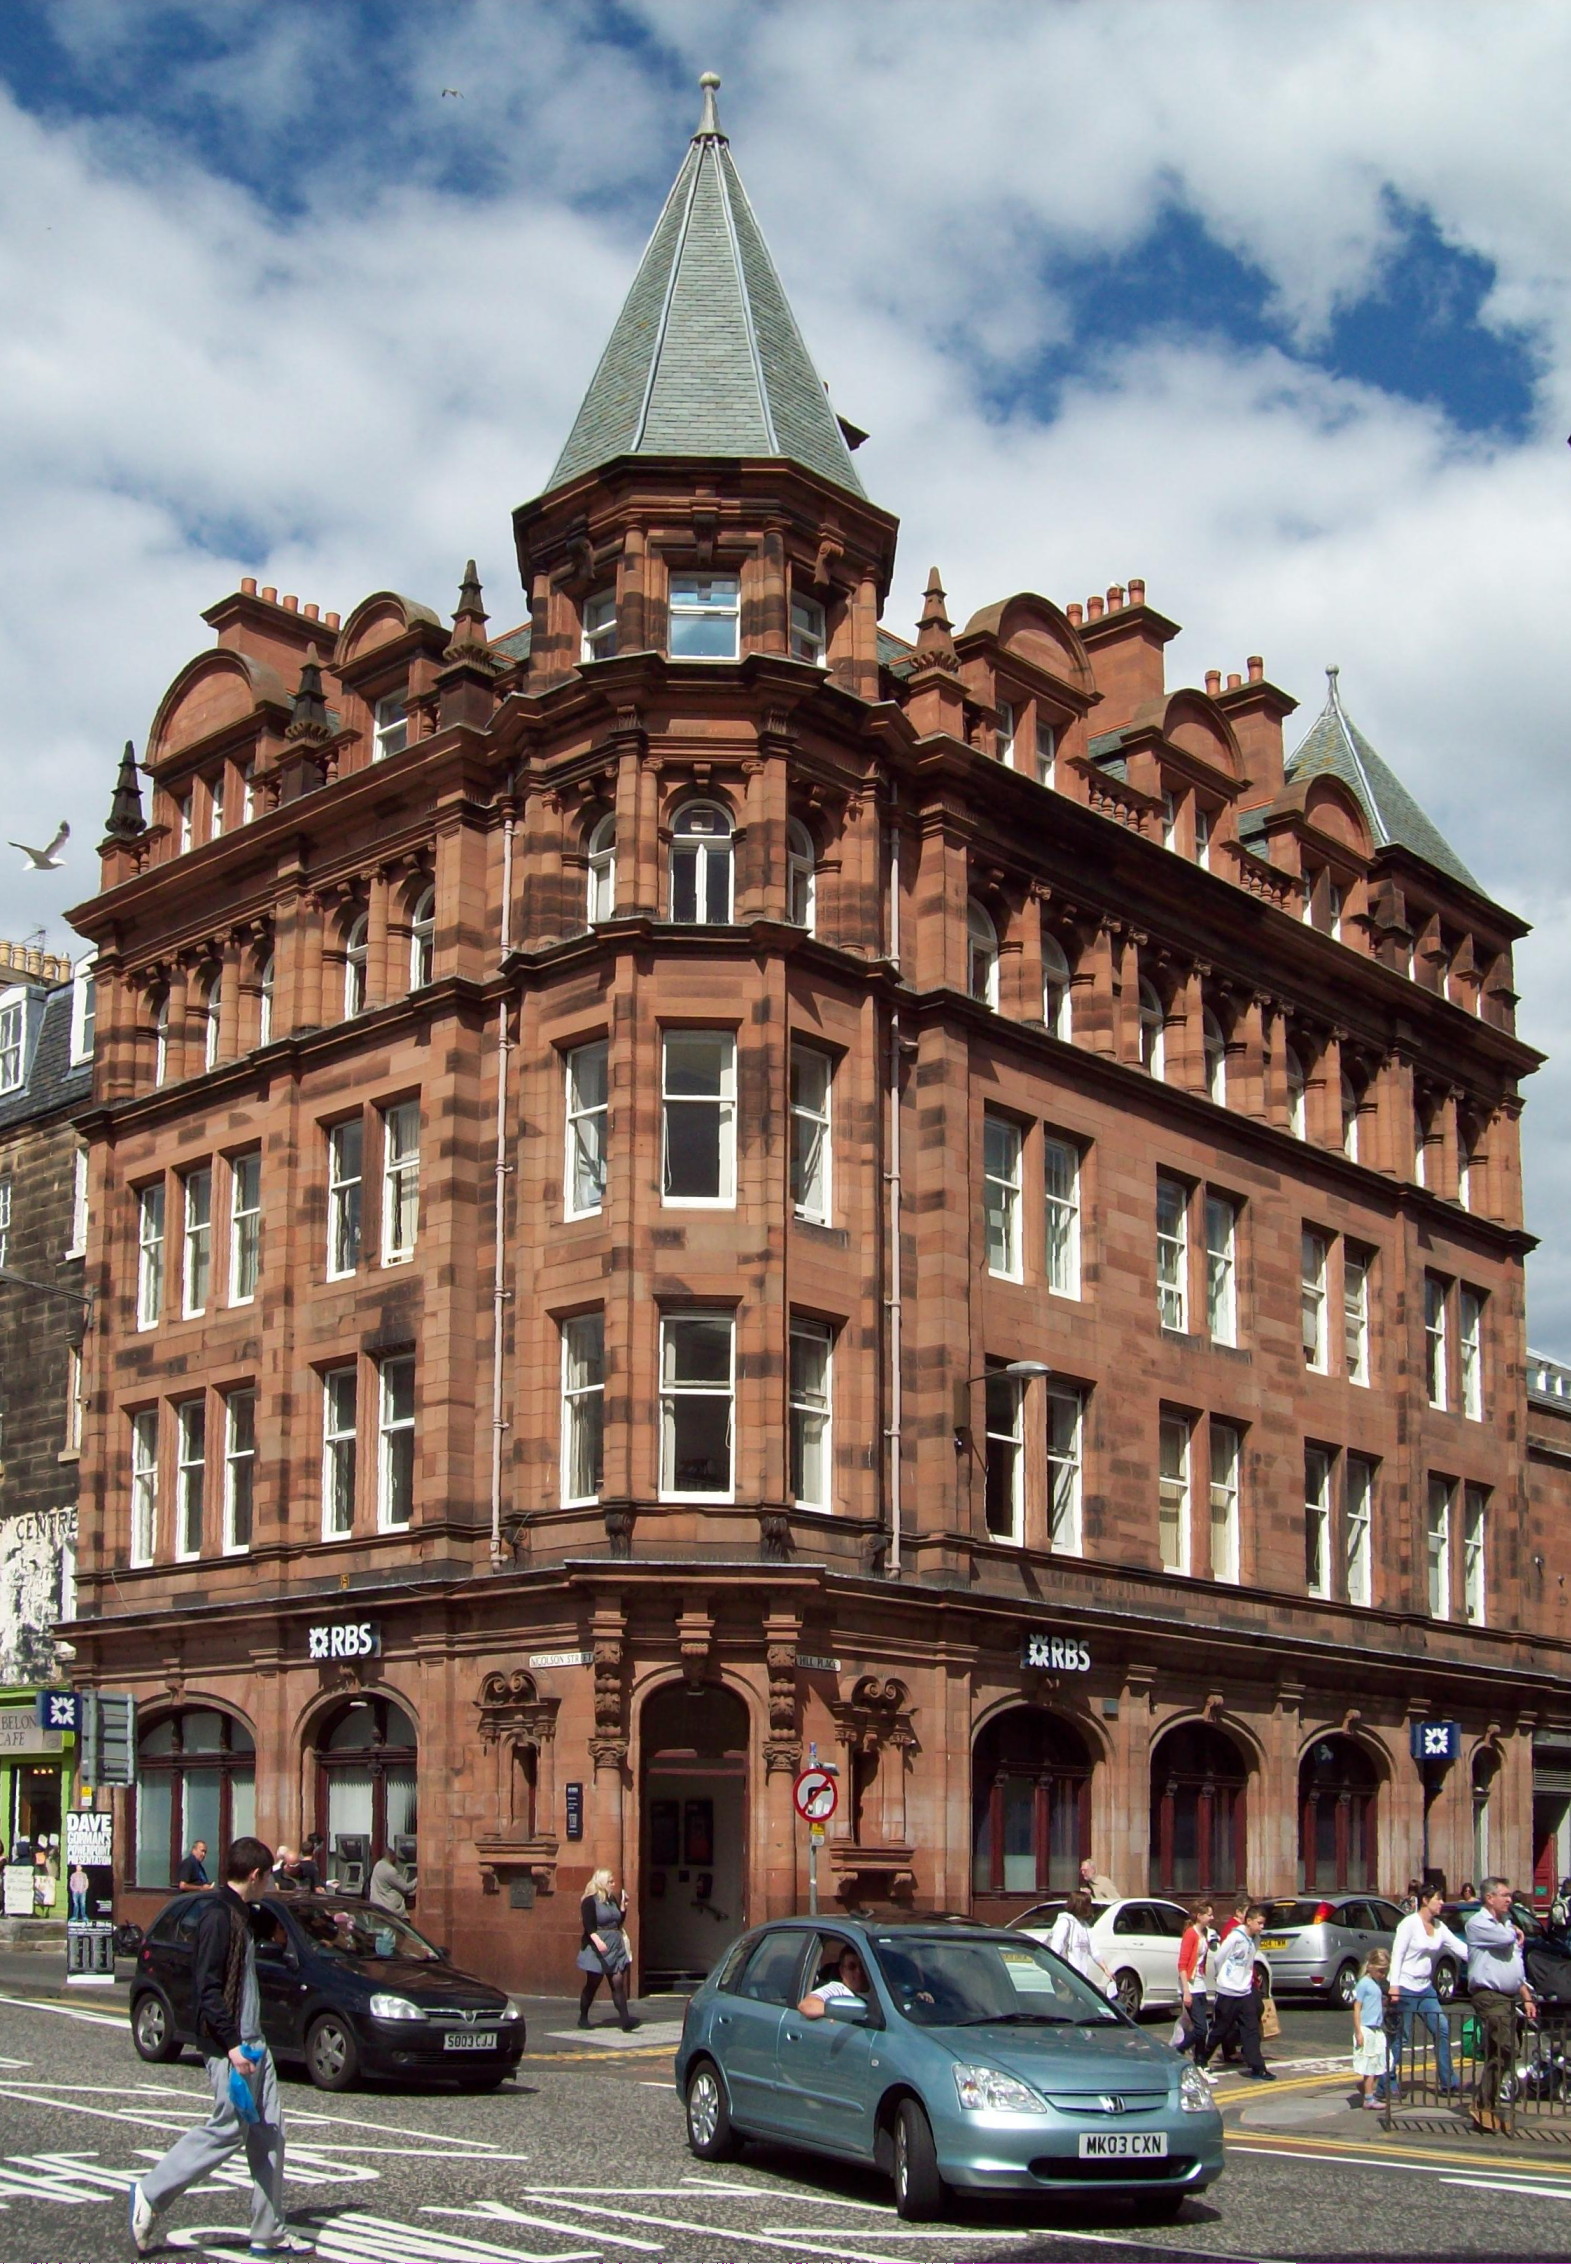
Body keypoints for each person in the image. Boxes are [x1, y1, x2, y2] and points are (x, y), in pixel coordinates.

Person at [128, 1836, 313, 2259]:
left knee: (270, 2135)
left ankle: (267, 2231)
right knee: (228, 2128)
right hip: (234, 2047)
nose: (269, 1886)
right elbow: (207, 1987)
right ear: (254, 1875)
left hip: (254, 2044)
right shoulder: (217, 1917)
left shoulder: (241, 1913)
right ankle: (150, 2192)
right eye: (267, 1878)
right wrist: (231, 2046)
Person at [1466, 1874, 1538, 2134]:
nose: (1509, 1899)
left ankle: (1487, 2105)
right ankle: (1483, 2103)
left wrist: (1526, 1996)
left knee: (1507, 2050)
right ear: (1489, 1898)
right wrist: (1513, 1930)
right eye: (1504, 1895)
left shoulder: (1506, 1921)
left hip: (1508, 1996)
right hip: (1489, 1994)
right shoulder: (1479, 1923)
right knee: (1504, 2045)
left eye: (1509, 1895)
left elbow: (1514, 1966)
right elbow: (1507, 1940)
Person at [1388, 1885, 1468, 2096]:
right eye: (1438, 1899)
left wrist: (1486, 1956)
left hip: (1425, 1989)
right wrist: (1393, 1985)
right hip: (1404, 1987)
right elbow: (1397, 1954)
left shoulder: (1440, 1927)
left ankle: (1448, 2083)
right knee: (1400, 2037)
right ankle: (1387, 2083)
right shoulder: (1409, 1924)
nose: (1442, 1903)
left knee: (1441, 2029)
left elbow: (1461, 1949)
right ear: (1425, 1900)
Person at [1197, 1903, 1274, 2080]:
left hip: (1244, 1991)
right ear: (1249, 1921)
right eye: (1259, 1923)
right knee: (1220, 2030)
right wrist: (1221, 1978)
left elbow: (1249, 1963)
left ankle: (1258, 2067)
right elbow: (1219, 1958)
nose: (1262, 1927)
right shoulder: (1235, 1937)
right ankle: (1201, 2059)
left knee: (1251, 2030)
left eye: (1263, 1924)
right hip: (1228, 1991)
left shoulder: (1255, 1940)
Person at [577, 1867, 636, 2031]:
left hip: (615, 1945)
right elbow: (589, 1925)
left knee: (617, 1983)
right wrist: (598, 1941)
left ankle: (625, 2020)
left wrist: (623, 1907)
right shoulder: (589, 1901)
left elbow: (617, 1922)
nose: (613, 1884)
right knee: (593, 1984)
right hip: (598, 1947)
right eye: (610, 1881)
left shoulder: (611, 1900)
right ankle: (583, 2017)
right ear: (602, 1882)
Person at [1047, 1889, 1117, 1997]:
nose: (1090, 1908)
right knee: (1068, 2009)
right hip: (1067, 1978)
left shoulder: (1085, 1926)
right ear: (1080, 1906)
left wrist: (1106, 1970)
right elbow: (1055, 1949)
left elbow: (1094, 1951)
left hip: (1081, 1979)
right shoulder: (1064, 1922)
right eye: (1088, 1904)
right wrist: (1058, 1973)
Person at [1352, 1948, 1390, 2109]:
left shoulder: (1375, 1984)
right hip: (1366, 2028)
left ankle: (1366, 2089)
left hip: (1376, 2028)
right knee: (1370, 2063)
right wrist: (1358, 2031)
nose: (1383, 1975)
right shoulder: (1364, 1984)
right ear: (1370, 1967)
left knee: (1384, 2061)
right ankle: (1368, 2098)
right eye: (1381, 1971)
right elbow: (1357, 2007)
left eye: (1385, 1971)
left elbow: (1373, 2004)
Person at [1177, 1899, 1213, 2060]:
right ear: (1199, 1916)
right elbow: (1182, 1965)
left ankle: (1201, 2063)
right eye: (1209, 1915)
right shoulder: (1190, 1934)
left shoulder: (1204, 1933)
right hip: (1190, 1987)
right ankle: (1179, 2050)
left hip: (1200, 1984)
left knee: (1202, 2027)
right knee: (1201, 2029)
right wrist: (1186, 1992)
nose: (1212, 1918)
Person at [799, 1942, 871, 2017]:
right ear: (842, 1971)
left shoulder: (879, 1988)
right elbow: (806, 2005)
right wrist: (837, 2011)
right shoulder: (837, 1989)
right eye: (851, 1967)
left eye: (863, 1966)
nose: (858, 1972)